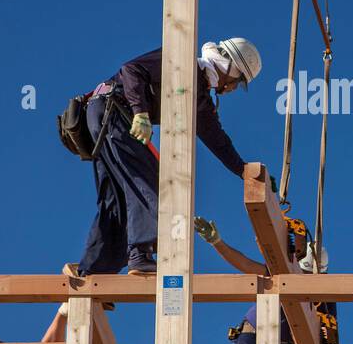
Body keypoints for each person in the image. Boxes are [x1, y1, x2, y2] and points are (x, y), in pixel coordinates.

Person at [66, 39, 262, 278]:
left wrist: (243, 171)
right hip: (113, 112)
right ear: (229, 66)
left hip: (105, 117)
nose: (233, 89)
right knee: (150, 183)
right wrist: (140, 112)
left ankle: (94, 271)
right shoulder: (183, 62)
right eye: (238, 80)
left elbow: (218, 141)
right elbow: (131, 69)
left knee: (115, 199)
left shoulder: (198, 97)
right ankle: (140, 255)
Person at [194, 215, 335, 344]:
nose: (306, 279)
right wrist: (217, 243)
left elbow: (330, 336)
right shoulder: (284, 274)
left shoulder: (326, 295)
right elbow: (246, 265)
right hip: (254, 337)